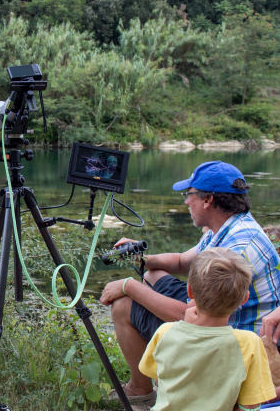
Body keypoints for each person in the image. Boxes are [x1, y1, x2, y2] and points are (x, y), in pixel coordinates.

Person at [100, 160, 280, 404]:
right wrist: (143, 258)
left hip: (232, 343)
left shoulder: (238, 249)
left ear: (208, 200)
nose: (186, 201)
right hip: (222, 316)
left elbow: (192, 313)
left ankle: (140, 392)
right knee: (151, 275)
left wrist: (127, 287)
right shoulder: (228, 227)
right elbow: (183, 261)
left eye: (189, 195)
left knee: (123, 304)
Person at [139, 248, 276, 411]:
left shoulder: (165, 332)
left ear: (189, 290)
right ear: (244, 299)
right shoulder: (248, 343)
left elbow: (156, 375)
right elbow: (250, 405)